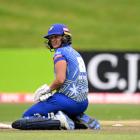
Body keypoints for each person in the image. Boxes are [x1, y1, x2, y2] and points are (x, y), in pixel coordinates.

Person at [12, 24, 100, 130]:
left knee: (27, 116)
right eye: (51, 38)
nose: (53, 40)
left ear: (65, 37)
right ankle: (79, 118)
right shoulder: (75, 52)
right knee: (56, 107)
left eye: (56, 37)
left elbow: (60, 80)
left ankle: (60, 122)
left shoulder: (60, 53)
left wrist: (47, 90)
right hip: (83, 103)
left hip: (68, 101)